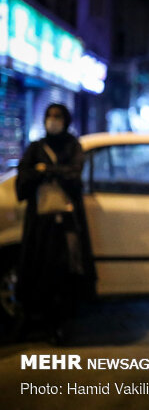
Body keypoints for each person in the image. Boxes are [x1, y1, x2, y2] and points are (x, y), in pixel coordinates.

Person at [15, 103, 96, 344]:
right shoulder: (36, 147)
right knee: (36, 270)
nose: (53, 120)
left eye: (58, 116)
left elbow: (74, 174)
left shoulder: (73, 146)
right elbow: (24, 178)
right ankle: (33, 322)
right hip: (40, 224)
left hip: (66, 224)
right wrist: (49, 172)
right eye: (50, 116)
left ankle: (60, 326)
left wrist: (45, 170)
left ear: (66, 120)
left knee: (64, 274)